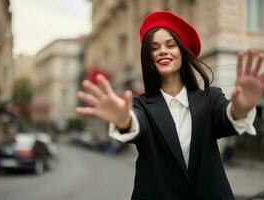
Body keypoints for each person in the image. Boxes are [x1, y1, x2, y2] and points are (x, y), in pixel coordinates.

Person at [76, 11, 264, 199]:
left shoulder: (210, 98)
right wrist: (123, 119)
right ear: (148, 58)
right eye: (154, 47)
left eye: (170, 45)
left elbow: (227, 115)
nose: (162, 51)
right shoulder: (140, 105)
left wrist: (241, 107)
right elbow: (136, 122)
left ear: (182, 51)